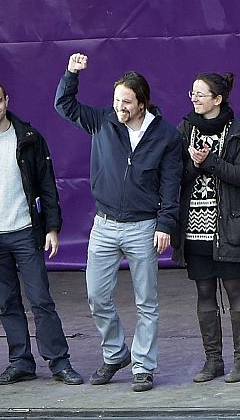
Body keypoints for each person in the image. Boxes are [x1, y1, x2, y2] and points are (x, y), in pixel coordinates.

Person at [54, 53, 182, 392]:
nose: (119, 107)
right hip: (105, 223)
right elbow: (64, 105)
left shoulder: (166, 136)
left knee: (146, 301)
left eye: (126, 102)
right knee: (97, 296)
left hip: (143, 227)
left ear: (142, 103)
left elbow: (172, 183)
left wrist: (165, 224)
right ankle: (115, 354)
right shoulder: (102, 121)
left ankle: (143, 366)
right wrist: (71, 73)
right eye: (116, 100)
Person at [0, 79, 82, 386]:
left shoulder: (30, 137)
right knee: (8, 303)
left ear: (6, 100)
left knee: (41, 300)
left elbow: (48, 185)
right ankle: (21, 361)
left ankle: (59, 361)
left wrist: (52, 228)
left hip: (26, 232)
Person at [172, 72, 240, 384]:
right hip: (194, 227)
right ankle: (213, 361)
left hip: (227, 226)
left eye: (200, 94)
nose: (193, 98)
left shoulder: (238, 131)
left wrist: (209, 162)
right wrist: (193, 166)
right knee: (204, 290)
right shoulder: (184, 129)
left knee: (234, 288)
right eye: (192, 93)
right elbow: (176, 176)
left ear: (218, 99)